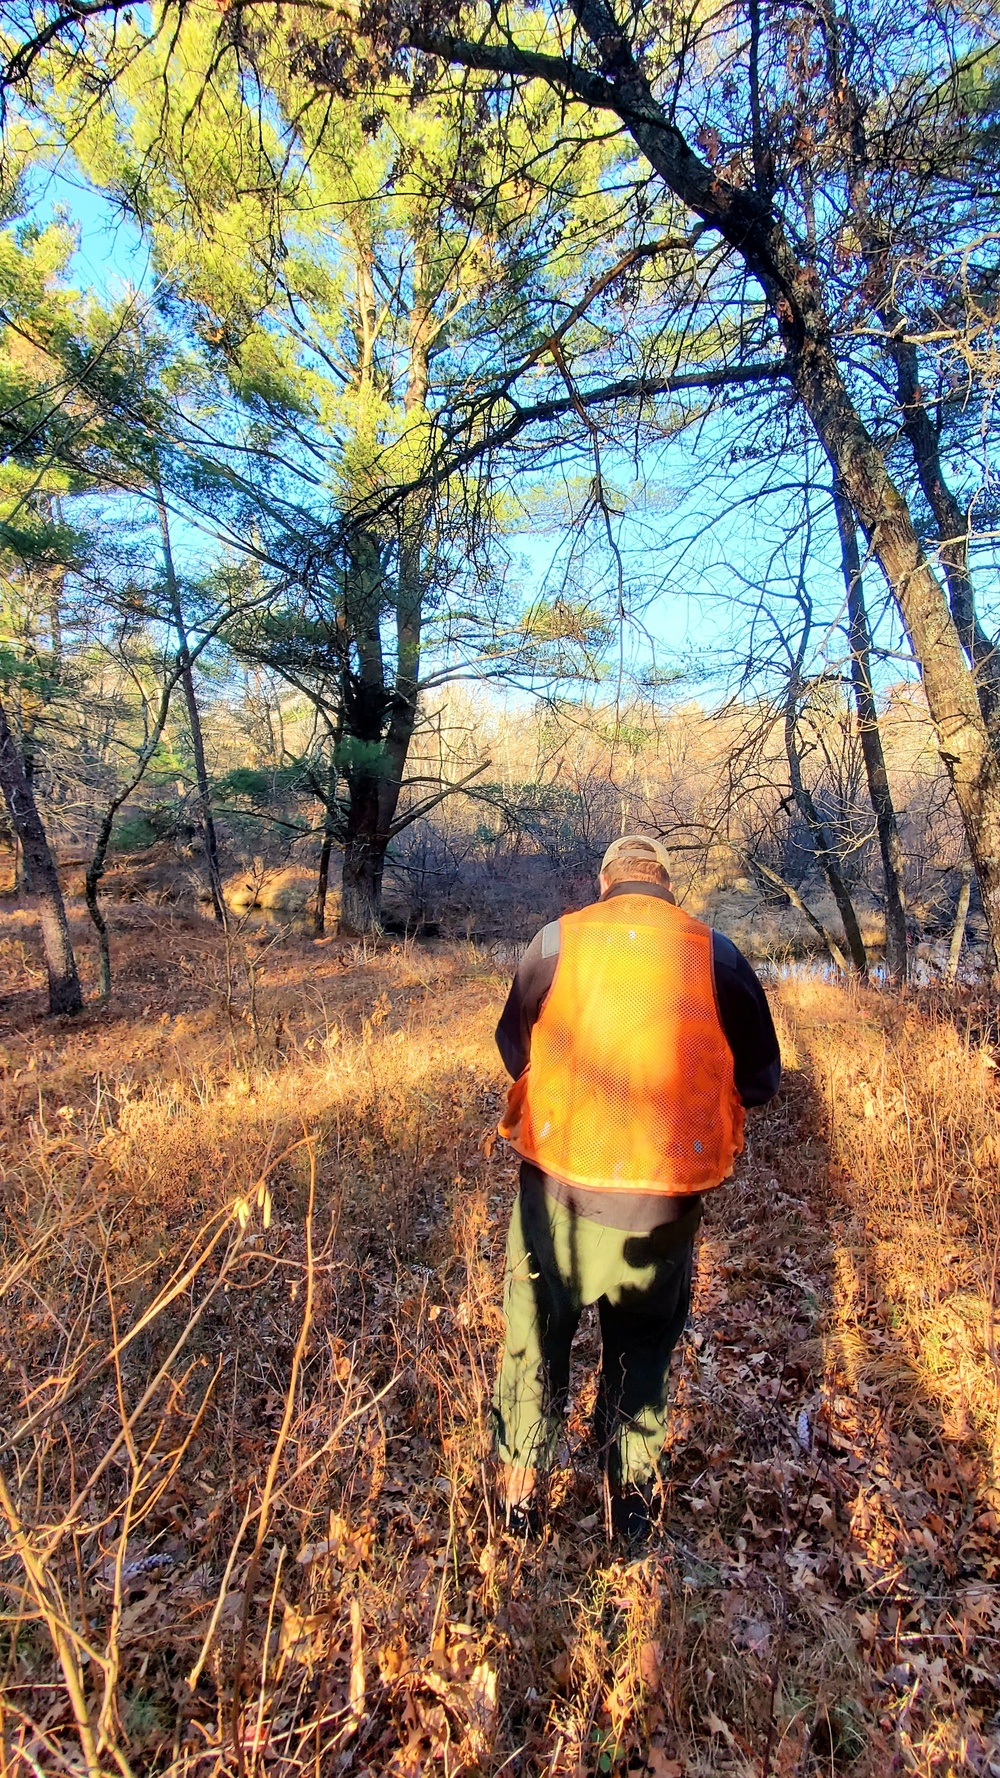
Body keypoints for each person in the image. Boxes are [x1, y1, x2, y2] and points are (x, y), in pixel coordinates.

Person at [492, 835, 781, 1550]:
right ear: (666, 885)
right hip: (664, 1202)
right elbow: (761, 1081)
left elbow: (512, 1050)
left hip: (554, 1194)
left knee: (533, 1344)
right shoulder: (716, 954)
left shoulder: (557, 942)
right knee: (644, 1350)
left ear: (605, 883)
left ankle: (520, 1513)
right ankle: (632, 1511)